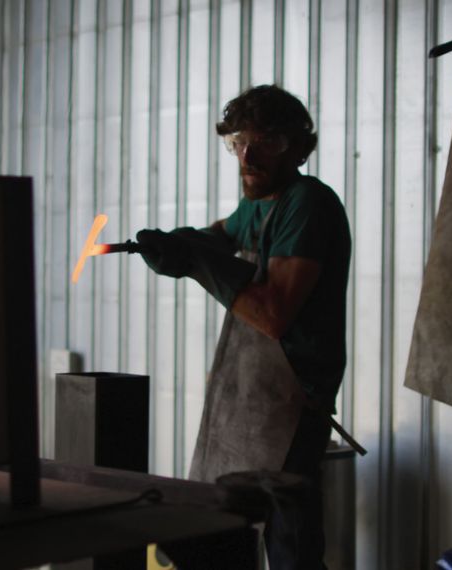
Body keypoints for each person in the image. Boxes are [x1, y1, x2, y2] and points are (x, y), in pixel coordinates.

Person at [136, 84, 352, 570]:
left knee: (288, 545)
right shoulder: (258, 202)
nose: (247, 156)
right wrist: (178, 243)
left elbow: (274, 314)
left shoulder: (307, 203)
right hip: (252, 398)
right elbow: (225, 235)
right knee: (228, 531)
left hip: (295, 401)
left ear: (298, 147)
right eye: (238, 143)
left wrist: (196, 262)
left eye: (266, 143)